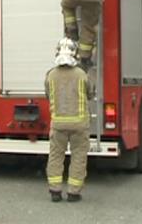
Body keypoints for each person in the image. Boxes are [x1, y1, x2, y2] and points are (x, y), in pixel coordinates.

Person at [44, 38, 95, 202]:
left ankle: (55, 191)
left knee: (56, 156)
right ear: (75, 54)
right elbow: (90, 94)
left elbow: (47, 95)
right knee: (78, 156)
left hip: (58, 124)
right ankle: (73, 192)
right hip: (79, 124)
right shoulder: (81, 74)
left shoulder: (50, 75)